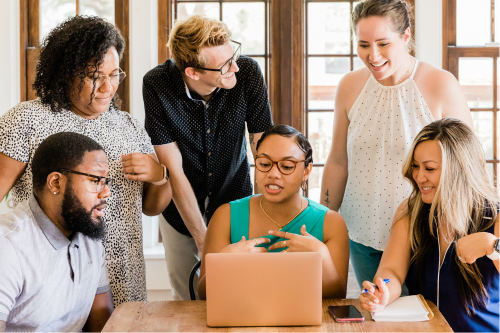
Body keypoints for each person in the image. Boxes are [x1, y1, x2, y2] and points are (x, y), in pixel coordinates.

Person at [0, 16, 171, 306]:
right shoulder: (26, 120)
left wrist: (159, 176)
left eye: (115, 74)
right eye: (95, 76)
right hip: (53, 279)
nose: (108, 87)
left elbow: (152, 208)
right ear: (66, 72)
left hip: (123, 277)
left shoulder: (128, 125)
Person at [320, 0, 474, 288]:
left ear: (405, 37)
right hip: (362, 236)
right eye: (363, 44)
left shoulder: (441, 84)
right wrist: (323, 219)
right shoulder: (349, 86)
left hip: (425, 236)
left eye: (383, 43)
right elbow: (339, 160)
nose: (373, 55)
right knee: (381, 318)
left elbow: (468, 164)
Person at [143, 15, 273, 300]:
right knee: (188, 296)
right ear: (193, 72)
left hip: (234, 198)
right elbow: (172, 168)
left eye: (233, 56)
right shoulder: (157, 84)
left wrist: (268, 218)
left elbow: (264, 152)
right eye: (225, 65)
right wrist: (203, 240)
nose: (234, 67)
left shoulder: (247, 73)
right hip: (179, 209)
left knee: (239, 293)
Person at [359, 118, 499, 332]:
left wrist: (494, 247)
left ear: (460, 169)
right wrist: (383, 291)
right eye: (415, 166)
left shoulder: (495, 217)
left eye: (430, 168)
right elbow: (392, 271)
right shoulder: (410, 211)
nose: (418, 176)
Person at [197, 125, 349, 300]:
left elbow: (337, 298)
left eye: (286, 166)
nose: (273, 174)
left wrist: (321, 257)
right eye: (264, 164)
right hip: (241, 322)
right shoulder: (225, 216)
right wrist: (225, 264)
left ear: (306, 171)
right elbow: (203, 296)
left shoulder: (331, 223)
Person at [0, 132, 114, 332]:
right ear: (55, 183)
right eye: (95, 180)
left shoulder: (90, 238)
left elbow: (102, 326)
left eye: (106, 181)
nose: (106, 193)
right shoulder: (7, 246)